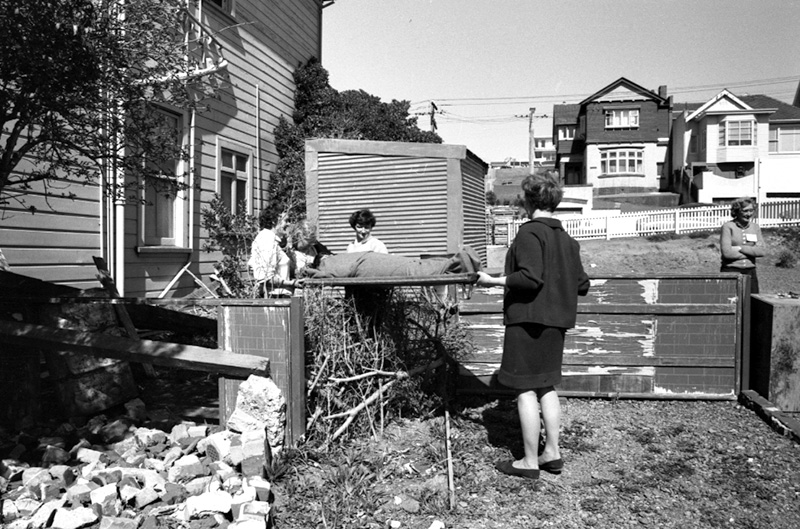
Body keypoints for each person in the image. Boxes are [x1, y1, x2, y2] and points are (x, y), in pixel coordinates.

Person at [476, 174, 590, 480]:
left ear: (528, 201)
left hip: (527, 321)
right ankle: (552, 452)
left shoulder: (529, 234)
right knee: (546, 386)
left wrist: (493, 280)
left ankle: (528, 461)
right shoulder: (567, 239)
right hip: (556, 324)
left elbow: (529, 277)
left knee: (525, 389)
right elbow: (583, 284)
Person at [247, 210, 300, 298]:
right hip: (275, 296)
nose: (289, 224)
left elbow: (252, 266)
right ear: (274, 221)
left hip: (277, 295)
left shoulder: (269, 239)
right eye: (286, 220)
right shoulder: (267, 240)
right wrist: (292, 283)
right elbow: (265, 278)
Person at [719, 197, 766, 294]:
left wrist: (740, 248)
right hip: (731, 270)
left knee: (752, 304)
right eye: (745, 211)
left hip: (750, 271)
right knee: (731, 302)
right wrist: (752, 252)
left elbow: (762, 251)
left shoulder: (755, 227)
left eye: (751, 210)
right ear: (737, 211)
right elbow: (727, 253)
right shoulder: (728, 227)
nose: (749, 214)